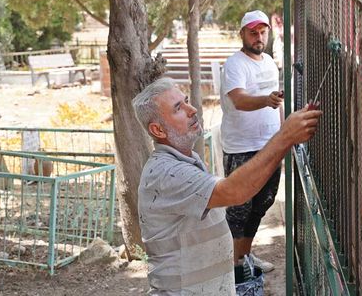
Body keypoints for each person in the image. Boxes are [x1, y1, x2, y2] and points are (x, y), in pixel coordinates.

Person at [132, 77, 322, 295]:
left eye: (186, 101)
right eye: (178, 108)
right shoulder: (166, 173)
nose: (192, 109)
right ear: (158, 130)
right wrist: (285, 136)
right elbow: (234, 191)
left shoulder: (186, 160)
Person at [219, 10, 283, 272]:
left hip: (269, 146)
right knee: (238, 209)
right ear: (242, 34)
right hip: (241, 148)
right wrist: (266, 100)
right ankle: (232, 266)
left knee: (261, 204)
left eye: (262, 32)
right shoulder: (235, 64)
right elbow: (239, 100)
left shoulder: (268, 61)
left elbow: (277, 105)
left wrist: (283, 136)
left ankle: (244, 258)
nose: (258, 37)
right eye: (253, 32)